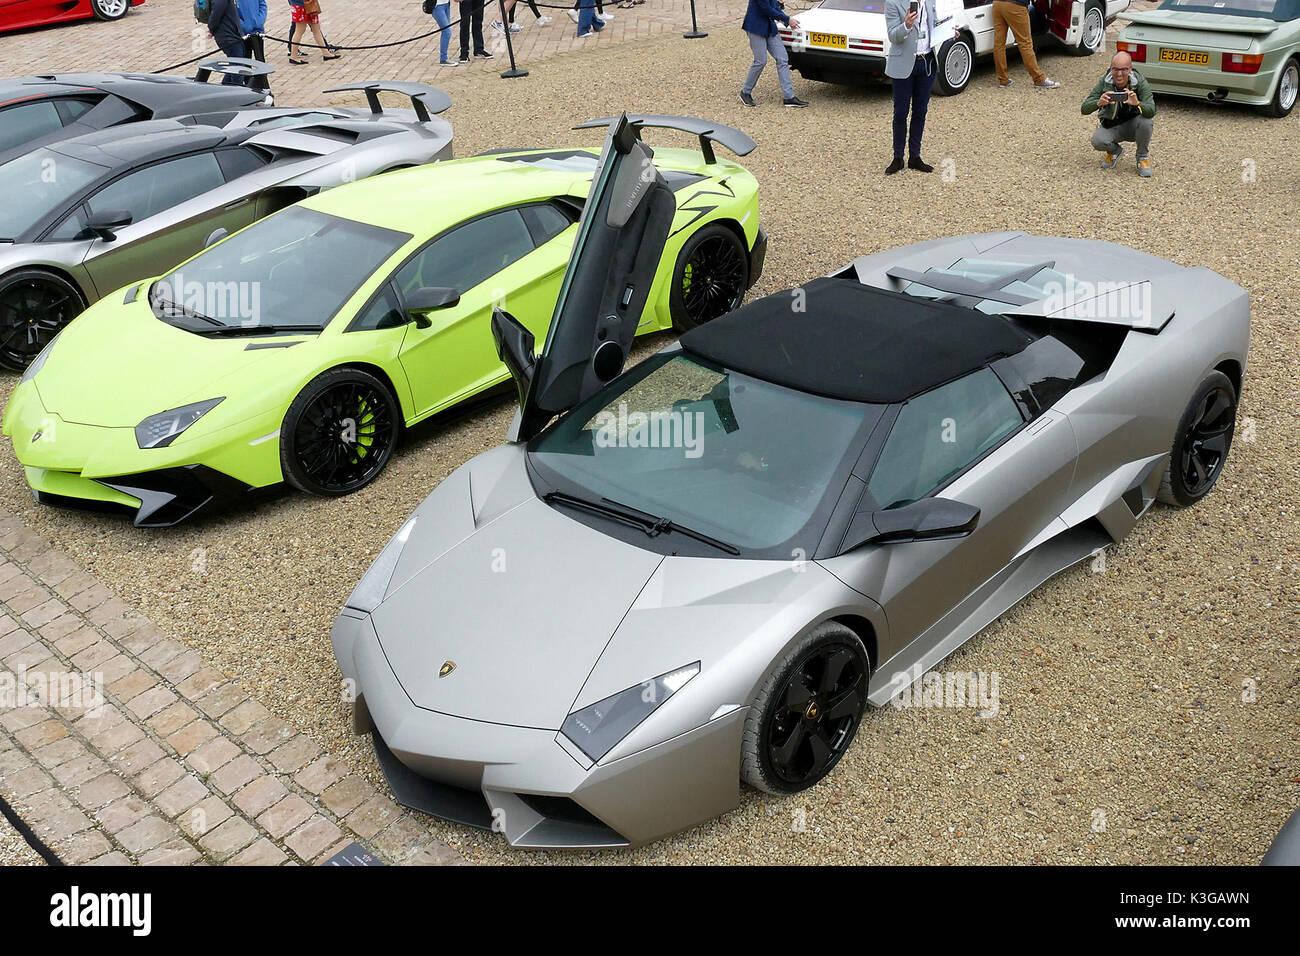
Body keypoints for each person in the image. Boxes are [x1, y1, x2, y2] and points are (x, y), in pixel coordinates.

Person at [1082, 51, 1156, 177]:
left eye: (1124, 69)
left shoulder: (1140, 82)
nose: (1119, 74)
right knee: (1098, 141)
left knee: (1147, 121)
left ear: (1130, 69)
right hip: (1112, 126)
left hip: (1134, 126)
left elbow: (1151, 110)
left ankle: (1142, 157)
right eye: (1115, 69)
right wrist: (1099, 103)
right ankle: (1115, 151)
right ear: (1111, 69)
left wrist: (1137, 103)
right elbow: (1084, 109)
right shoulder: (1105, 82)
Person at [883, 0, 936, 173]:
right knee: (900, 113)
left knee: (920, 112)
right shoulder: (893, 2)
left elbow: (936, 24)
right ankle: (898, 157)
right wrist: (906, 25)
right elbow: (892, 35)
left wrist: (951, 32)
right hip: (903, 64)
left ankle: (915, 156)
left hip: (926, 62)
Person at [739, 0, 807, 107]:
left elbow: (774, 7)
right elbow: (766, 9)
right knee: (760, 61)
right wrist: (788, 19)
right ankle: (745, 92)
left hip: (770, 28)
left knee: (782, 58)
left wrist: (786, 17)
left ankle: (789, 97)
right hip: (755, 27)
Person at [991, 0, 1058, 89]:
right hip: (1016, 5)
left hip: (997, 4)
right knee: (1025, 43)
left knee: (999, 44)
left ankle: (1003, 80)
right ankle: (1039, 79)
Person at [236, 0, 271, 95]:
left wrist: (258, 21)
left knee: (260, 61)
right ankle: (248, 88)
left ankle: (264, 87)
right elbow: (233, 12)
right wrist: (245, 26)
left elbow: (262, 5)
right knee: (246, 61)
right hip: (243, 33)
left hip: (257, 31)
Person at [208, 0, 246, 82]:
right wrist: (211, 29)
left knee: (235, 64)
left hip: (232, 35)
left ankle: (225, 87)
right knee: (238, 67)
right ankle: (236, 92)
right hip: (228, 36)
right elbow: (216, 14)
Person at [430, 0, 455, 66]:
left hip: (446, 4)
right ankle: (443, 58)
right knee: (447, 31)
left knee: (446, 32)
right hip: (437, 6)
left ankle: (444, 57)